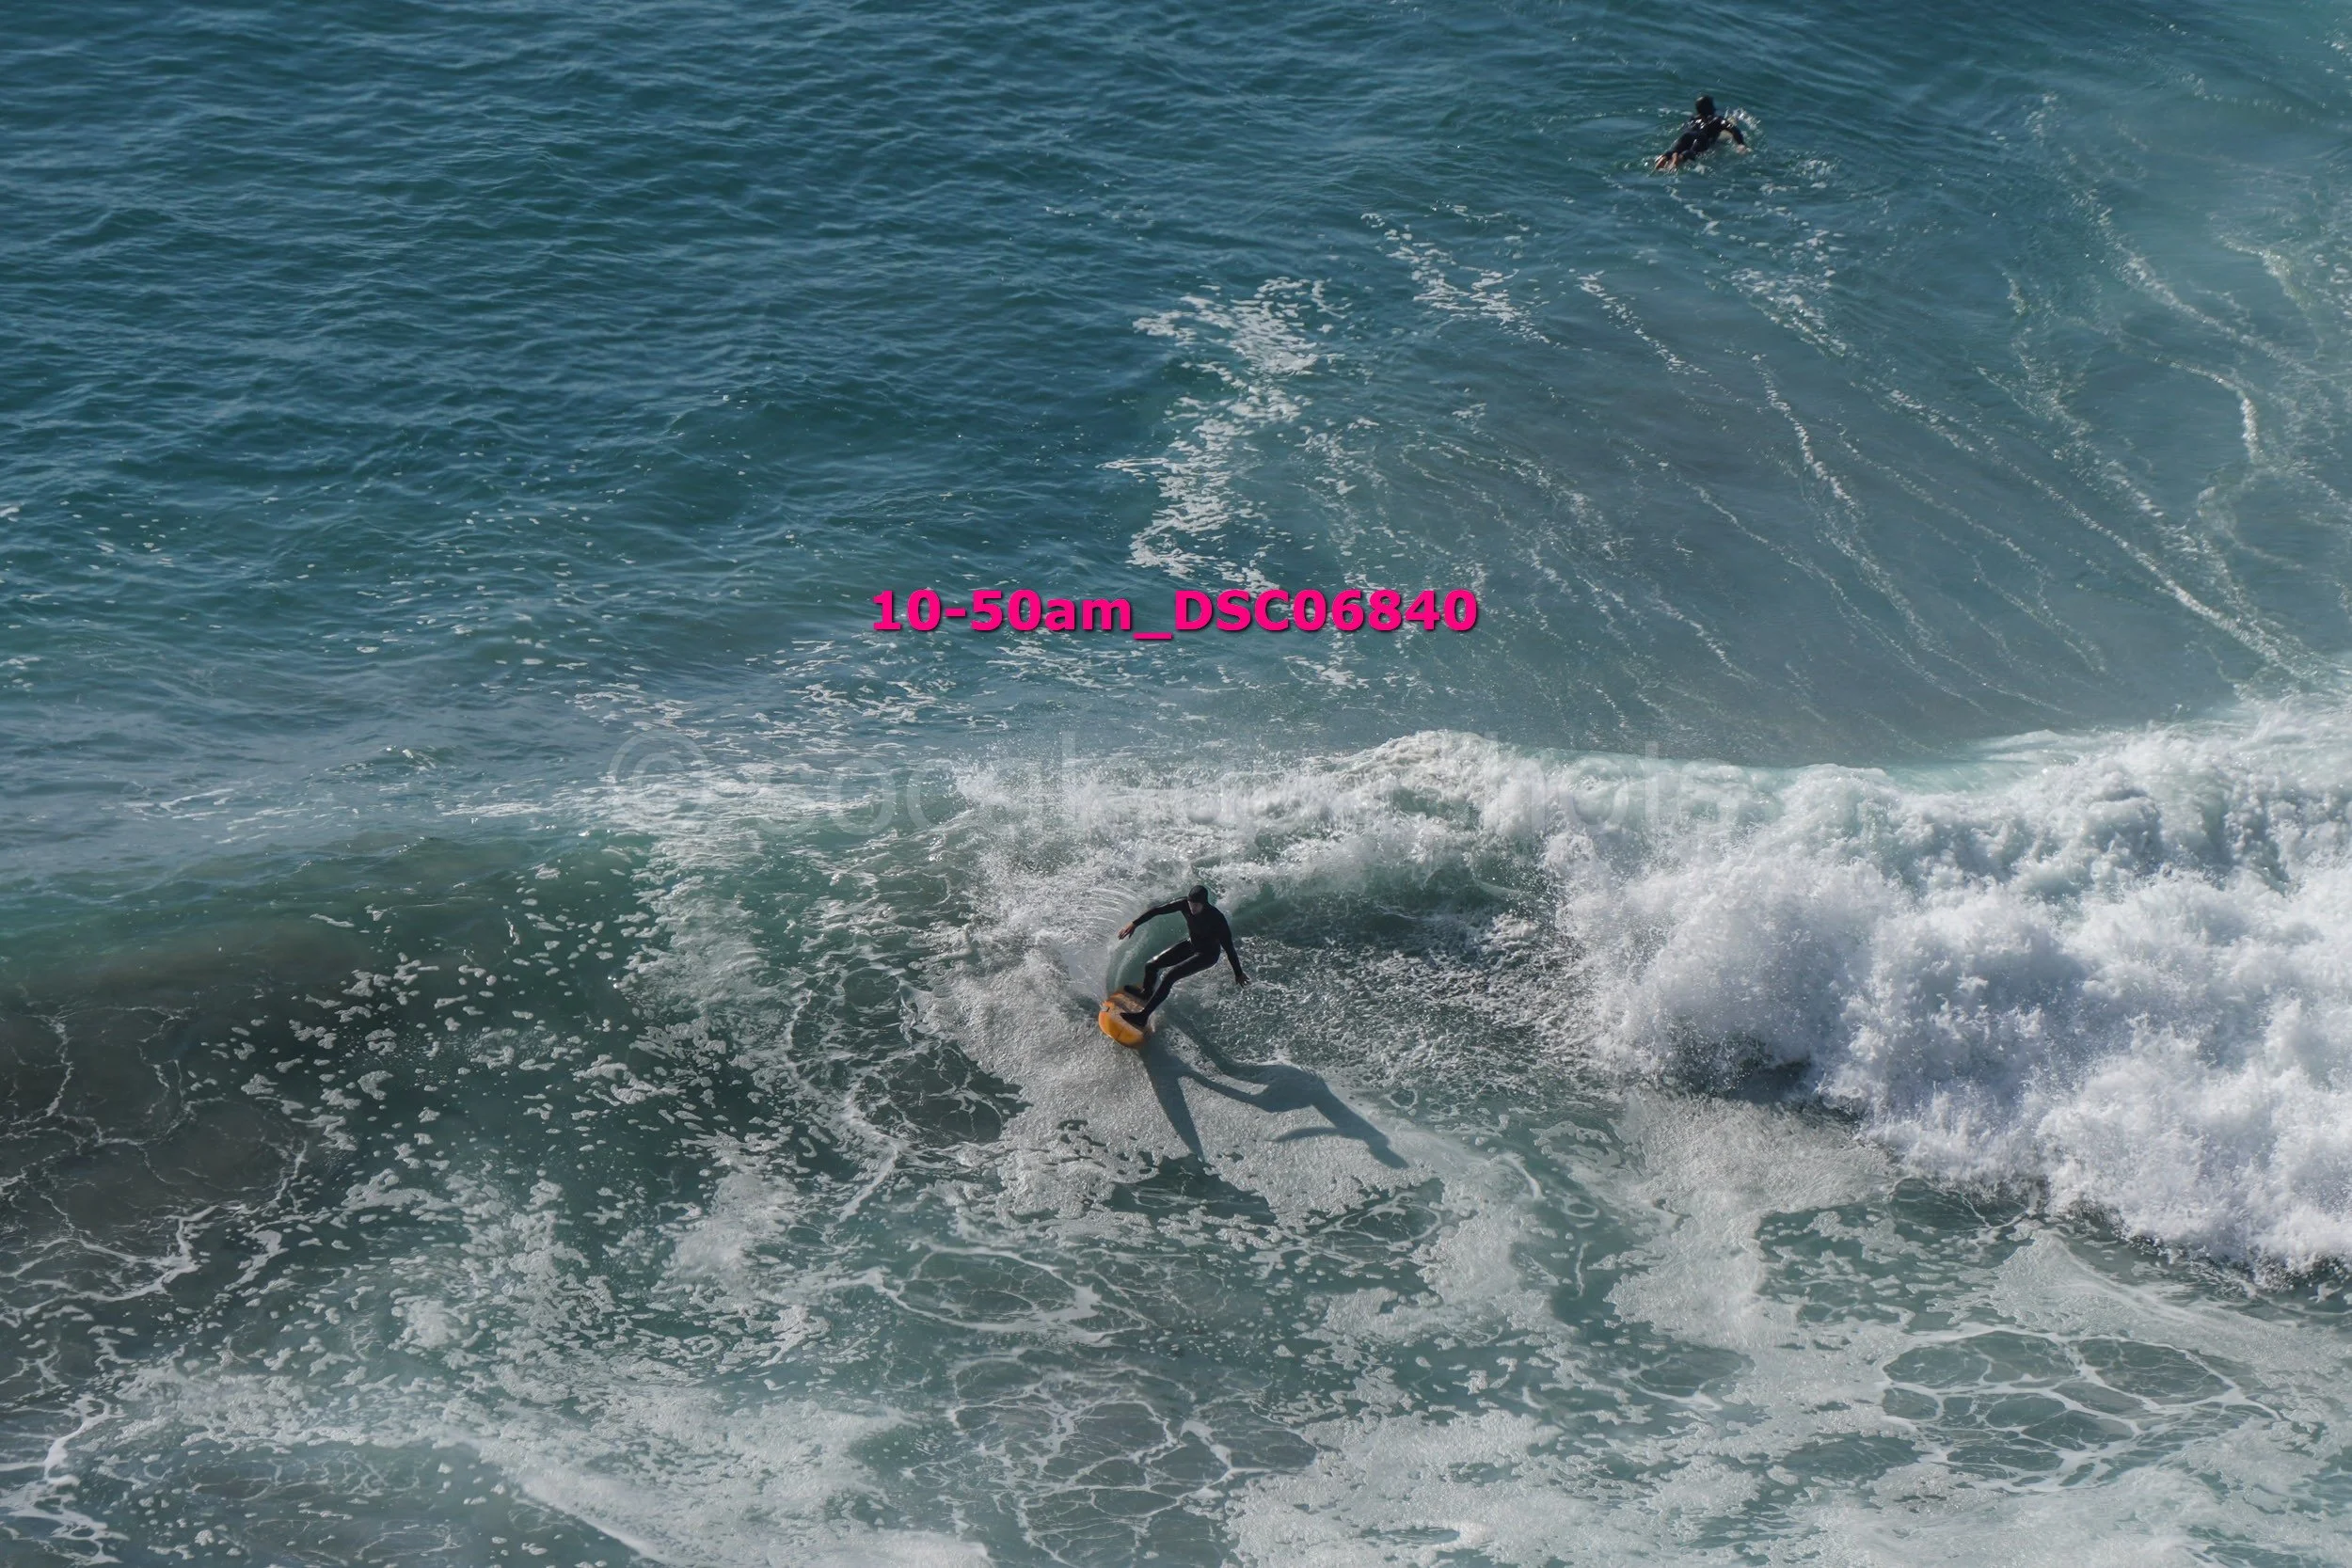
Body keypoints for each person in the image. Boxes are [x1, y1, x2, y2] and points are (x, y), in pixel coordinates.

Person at [1116, 884, 1248, 1022]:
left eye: (1196, 905)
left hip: (1207, 955)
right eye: (1191, 904)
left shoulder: (1217, 918)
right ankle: (1146, 994)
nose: (1192, 908)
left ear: (1204, 903)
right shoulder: (1183, 904)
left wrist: (1238, 973)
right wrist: (1134, 924)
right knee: (1151, 965)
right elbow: (1157, 910)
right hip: (1192, 944)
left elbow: (1229, 948)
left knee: (1169, 976)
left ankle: (1143, 1017)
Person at [1655, 95, 1746, 170]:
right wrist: (1741, 144)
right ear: (1711, 108)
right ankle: (1680, 158)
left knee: (1677, 148)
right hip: (1702, 138)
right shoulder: (1717, 120)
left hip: (1687, 135)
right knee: (1692, 152)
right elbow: (1734, 129)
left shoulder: (1692, 119)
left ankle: (1666, 156)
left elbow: (1684, 130)